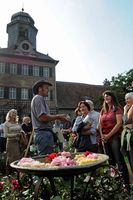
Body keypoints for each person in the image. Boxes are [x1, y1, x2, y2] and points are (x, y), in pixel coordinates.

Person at [31, 80, 70, 155]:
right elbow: (42, 117)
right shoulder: (38, 98)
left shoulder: (39, 99)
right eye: (46, 88)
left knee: (47, 159)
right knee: (46, 160)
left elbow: (45, 117)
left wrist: (58, 117)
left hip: (44, 134)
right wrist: (58, 117)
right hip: (43, 134)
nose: (48, 90)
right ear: (40, 89)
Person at [98, 90, 129, 186]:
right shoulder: (103, 110)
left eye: (108, 96)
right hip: (105, 138)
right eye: (105, 96)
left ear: (112, 97)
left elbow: (119, 123)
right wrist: (102, 136)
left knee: (119, 160)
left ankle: (125, 183)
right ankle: (115, 182)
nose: (106, 97)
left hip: (115, 137)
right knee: (110, 161)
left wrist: (108, 135)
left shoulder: (117, 108)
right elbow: (99, 124)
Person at [4, 109, 23, 174]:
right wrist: (16, 134)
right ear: (9, 115)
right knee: (11, 157)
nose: (14, 114)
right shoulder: (6, 124)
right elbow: (6, 135)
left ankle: (17, 172)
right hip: (11, 143)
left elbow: (21, 130)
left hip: (18, 142)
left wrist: (22, 133)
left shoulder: (17, 123)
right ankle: (9, 173)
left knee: (18, 157)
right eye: (13, 113)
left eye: (15, 113)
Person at [121, 92, 133, 171]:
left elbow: (125, 121)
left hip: (131, 135)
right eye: (125, 99)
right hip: (129, 136)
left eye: (128, 98)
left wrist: (125, 111)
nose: (126, 100)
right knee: (130, 158)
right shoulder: (128, 108)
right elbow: (124, 123)